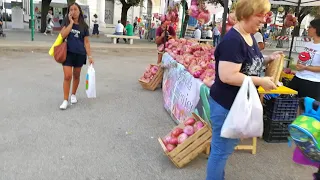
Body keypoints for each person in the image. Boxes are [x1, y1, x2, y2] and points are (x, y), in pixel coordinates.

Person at [205, 0, 283, 179]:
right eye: (260, 15)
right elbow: (228, 76)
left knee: (223, 149)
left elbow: (249, 63)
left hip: (237, 104)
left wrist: (267, 59)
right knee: (220, 151)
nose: (264, 20)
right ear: (246, 14)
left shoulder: (249, 36)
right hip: (227, 105)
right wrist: (261, 80)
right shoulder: (233, 40)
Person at [59, 3, 94, 110]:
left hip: (80, 54)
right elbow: (62, 35)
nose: (73, 11)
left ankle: (73, 94)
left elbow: (86, 42)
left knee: (77, 75)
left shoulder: (84, 26)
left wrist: (90, 56)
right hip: (68, 53)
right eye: (71, 10)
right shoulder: (66, 22)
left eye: (75, 9)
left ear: (79, 11)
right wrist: (70, 23)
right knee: (67, 76)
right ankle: (65, 100)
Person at [289, 19, 320, 101]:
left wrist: (306, 68)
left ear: (315, 29)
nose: (307, 29)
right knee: (289, 103)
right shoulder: (308, 44)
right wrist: (299, 64)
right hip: (298, 77)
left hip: (312, 82)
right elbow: (302, 57)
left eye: (309, 27)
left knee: (305, 107)